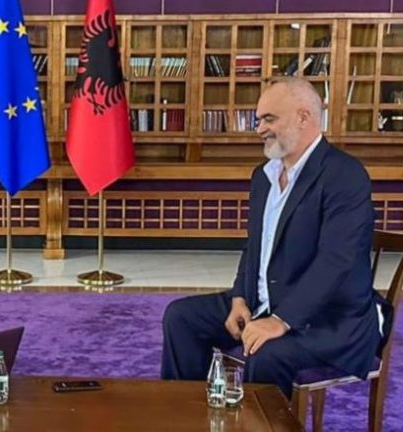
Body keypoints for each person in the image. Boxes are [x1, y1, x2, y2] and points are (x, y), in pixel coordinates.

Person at [161, 77, 383, 398]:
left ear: (304, 117)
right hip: (263, 302)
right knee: (181, 318)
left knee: (265, 354)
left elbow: (336, 262)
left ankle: (261, 421)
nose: (259, 129)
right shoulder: (263, 176)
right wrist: (239, 297)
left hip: (328, 320)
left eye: (269, 119)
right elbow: (255, 246)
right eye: (258, 120)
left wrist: (281, 320)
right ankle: (187, 414)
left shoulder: (344, 175)